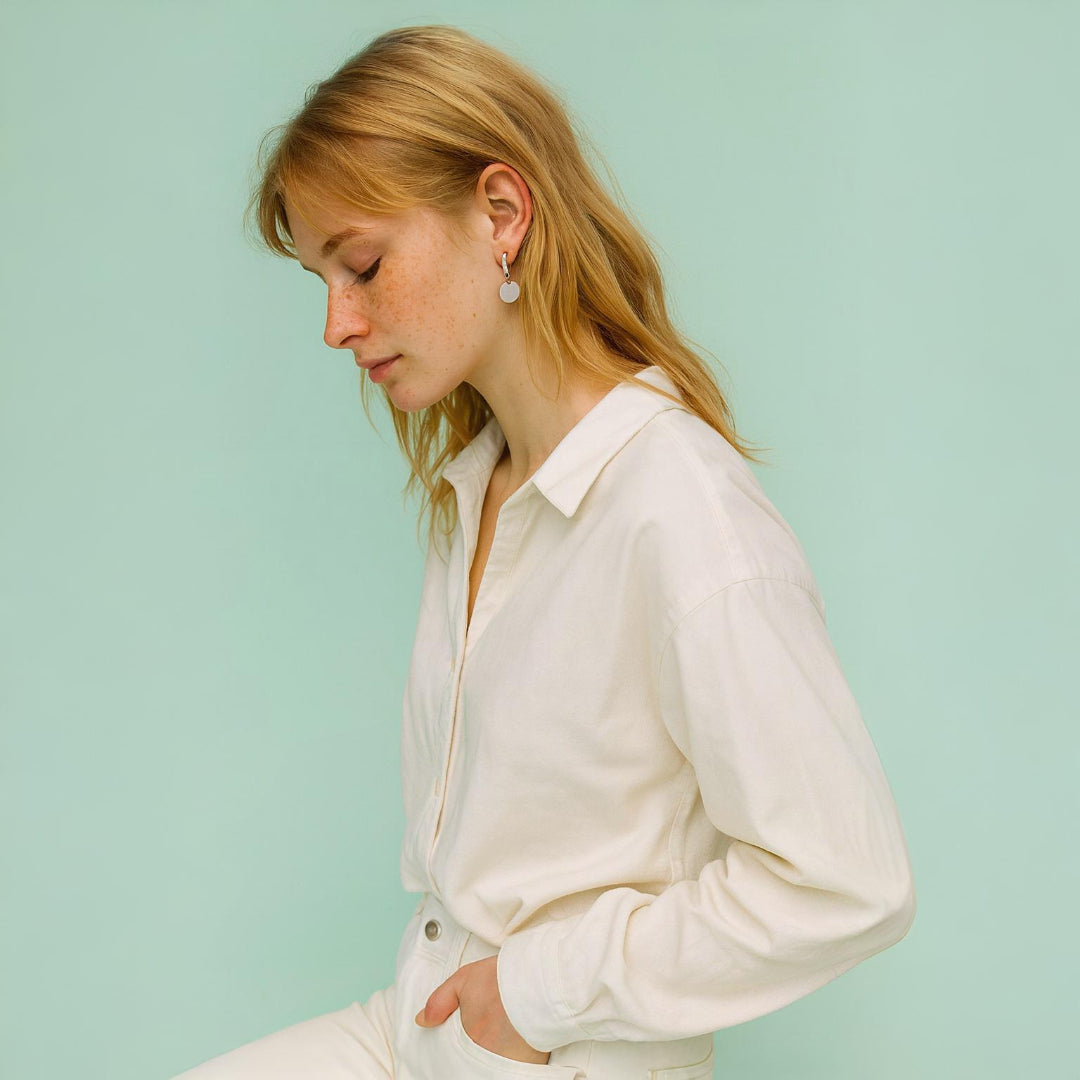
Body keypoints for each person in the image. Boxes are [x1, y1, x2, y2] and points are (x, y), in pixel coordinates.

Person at [172, 22, 916, 1080]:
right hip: (419, 1024)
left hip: (553, 1050)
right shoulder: (480, 486)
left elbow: (848, 881)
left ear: (501, 213)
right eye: (322, 280)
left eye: (364, 265)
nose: (337, 323)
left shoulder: (680, 510)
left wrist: (540, 989)